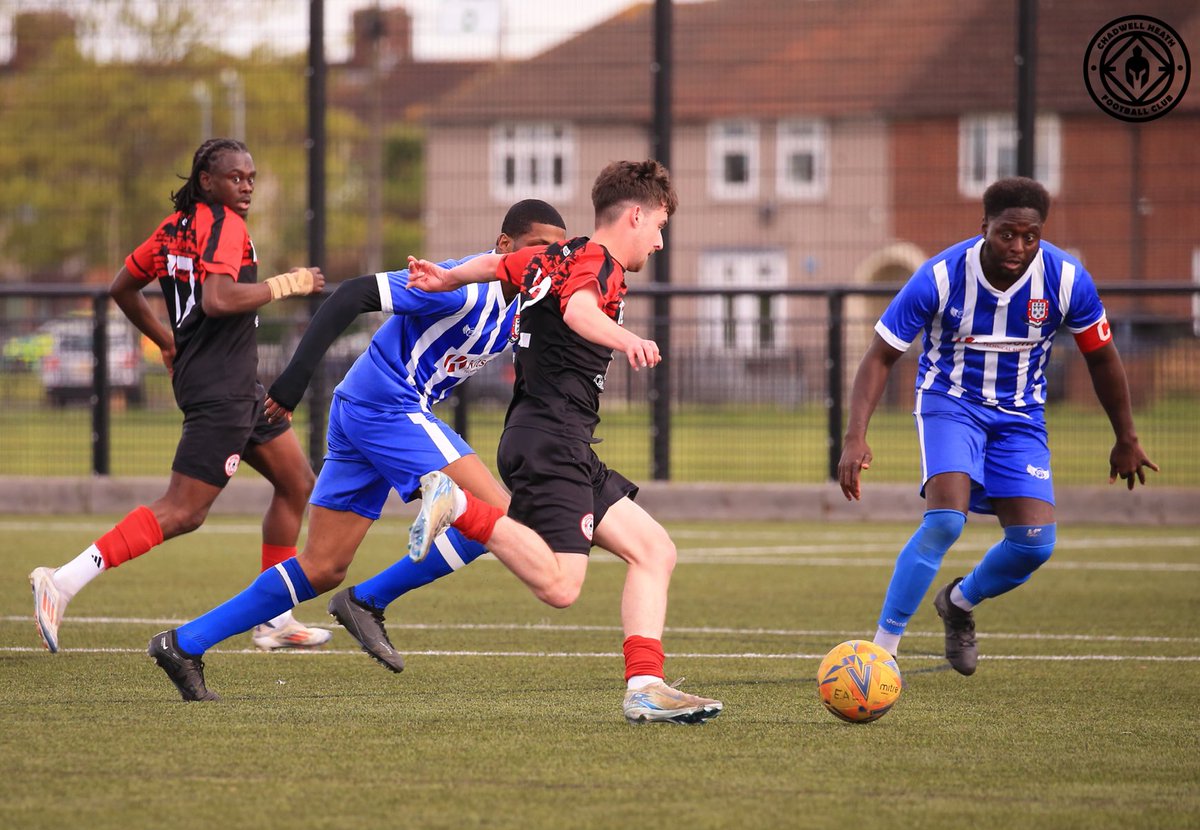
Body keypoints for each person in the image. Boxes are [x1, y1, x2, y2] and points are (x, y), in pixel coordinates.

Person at [146, 199, 568, 699]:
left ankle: (184, 643)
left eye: (556, 252)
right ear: (504, 246)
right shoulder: (461, 287)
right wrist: (294, 379)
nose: (547, 257)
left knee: (323, 566)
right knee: (500, 521)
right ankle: (368, 601)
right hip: (388, 407)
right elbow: (351, 295)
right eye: (539, 246)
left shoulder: (526, 302)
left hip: (362, 410)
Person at [401, 159, 723, 725]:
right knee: (561, 586)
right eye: (660, 224)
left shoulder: (558, 254)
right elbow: (577, 312)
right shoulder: (598, 262)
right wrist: (628, 340)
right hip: (552, 441)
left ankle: (645, 686)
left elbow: (498, 263)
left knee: (654, 551)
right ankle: (460, 507)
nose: (662, 240)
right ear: (637, 214)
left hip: (553, 439)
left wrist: (447, 277)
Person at [836, 176, 1158, 674]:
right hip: (950, 403)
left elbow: (1102, 358)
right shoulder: (939, 276)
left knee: (1035, 545)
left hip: (1020, 417)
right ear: (985, 226)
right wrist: (855, 436)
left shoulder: (1067, 279)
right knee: (945, 521)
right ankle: (882, 653)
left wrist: (1126, 436)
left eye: (1031, 237)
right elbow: (880, 356)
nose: (1019, 247)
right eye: (1008, 234)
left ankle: (959, 602)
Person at [30, 138, 331, 654]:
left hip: (230, 382)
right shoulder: (223, 225)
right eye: (236, 177)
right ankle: (62, 581)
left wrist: (166, 340)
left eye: (251, 178)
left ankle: (275, 618)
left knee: (295, 480)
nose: (247, 186)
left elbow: (122, 287)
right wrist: (290, 283)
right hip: (221, 388)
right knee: (184, 511)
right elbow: (217, 300)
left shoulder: (175, 228)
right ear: (206, 181)